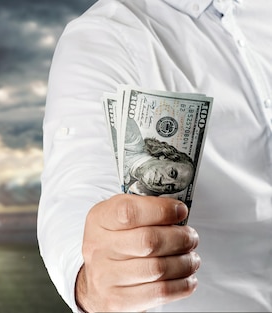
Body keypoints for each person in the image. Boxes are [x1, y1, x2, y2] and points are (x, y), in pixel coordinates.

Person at [38, 0, 272, 312]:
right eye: (173, 175)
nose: (164, 180)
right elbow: (76, 188)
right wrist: (92, 276)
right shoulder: (107, 36)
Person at [122, 117, 195, 196]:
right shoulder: (130, 137)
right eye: (172, 173)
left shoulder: (122, 193)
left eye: (170, 187)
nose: (163, 182)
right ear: (164, 157)